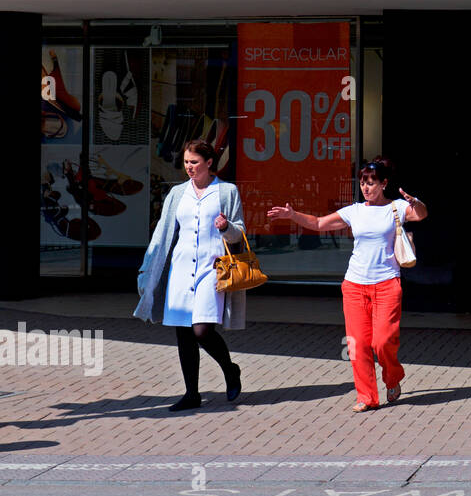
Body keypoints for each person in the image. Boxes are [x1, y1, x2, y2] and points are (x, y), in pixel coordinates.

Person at [267, 157, 427, 412]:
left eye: (371, 183)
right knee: (357, 343)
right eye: (363, 182)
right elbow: (319, 223)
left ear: (384, 183)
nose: (366, 187)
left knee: (383, 341)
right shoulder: (355, 211)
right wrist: (292, 215)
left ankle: (393, 377)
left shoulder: (396, 207)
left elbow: (420, 214)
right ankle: (367, 397)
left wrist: (415, 202)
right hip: (354, 285)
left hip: (387, 283)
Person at [134, 139, 246, 412]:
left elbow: (240, 232)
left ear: (209, 163)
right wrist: (149, 267)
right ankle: (191, 393)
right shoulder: (177, 193)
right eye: (186, 162)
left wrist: (226, 227)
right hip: (181, 269)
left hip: (212, 268)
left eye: (194, 162)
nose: (189, 168)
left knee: (202, 330)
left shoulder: (226, 191)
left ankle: (230, 370)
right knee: (183, 333)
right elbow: (163, 233)